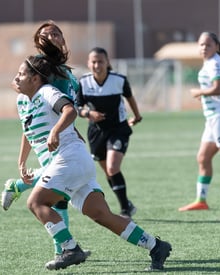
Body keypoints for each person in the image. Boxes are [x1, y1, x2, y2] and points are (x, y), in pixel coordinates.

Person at [12, 54, 171, 271]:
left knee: (36, 202)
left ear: (35, 79)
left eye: (21, 74)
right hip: (71, 163)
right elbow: (27, 130)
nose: (16, 78)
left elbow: (70, 110)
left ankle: (70, 249)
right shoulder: (22, 101)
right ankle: (156, 246)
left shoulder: (47, 92)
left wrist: (56, 131)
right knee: (102, 215)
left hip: (69, 158)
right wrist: (21, 161)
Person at [0, 20, 89, 260]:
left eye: (56, 32)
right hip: (50, 137)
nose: (52, 36)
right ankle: (18, 186)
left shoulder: (67, 71)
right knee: (54, 192)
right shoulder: (44, 68)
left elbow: (70, 106)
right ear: (38, 42)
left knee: (59, 198)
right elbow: (28, 93)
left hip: (64, 134)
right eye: (45, 34)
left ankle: (63, 249)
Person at [75, 47, 142, 218]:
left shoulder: (119, 80)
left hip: (118, 129)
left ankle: (125, 209)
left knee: (112, 168)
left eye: (101, 61)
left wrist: (137, 115)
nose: (97, 65)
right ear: (89, 64)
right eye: (94, 62)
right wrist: (89, 114)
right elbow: (76, 108)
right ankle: (127, 204)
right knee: (108, 172)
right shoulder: (83, 82)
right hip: (96, 132)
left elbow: (129, 97)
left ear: (108, 63)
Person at [178, 32, 220, 211]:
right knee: (203, 158)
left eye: (208, 44)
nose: (204, 48)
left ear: (217, 47)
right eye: (201, 44)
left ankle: (201, 199)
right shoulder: (214, 63)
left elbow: (219, 88)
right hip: (213, 118)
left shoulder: (215, 63)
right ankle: (201, 200)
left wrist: (200, 92)